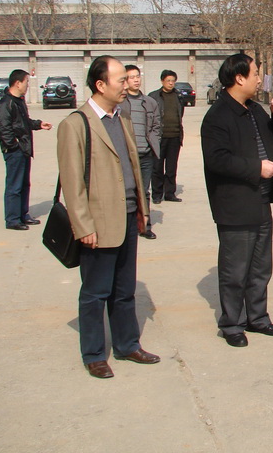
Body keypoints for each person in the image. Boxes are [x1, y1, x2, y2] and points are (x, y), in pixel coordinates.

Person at [57, 55, 160, 379]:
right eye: (120, 80)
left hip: (128, 216)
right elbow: (73, 183)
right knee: (95, 292)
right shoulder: (76, 124)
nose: (126, 85)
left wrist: (142, 211)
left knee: (124, 289)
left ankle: (127, 345)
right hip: (98, 224)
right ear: (101, 85)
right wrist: (83, 225)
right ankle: (94, 354)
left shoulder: (122, 117)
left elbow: (133, 167)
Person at [201, 53, 273, 348]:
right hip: (236, 205)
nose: (259, 79)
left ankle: (257, 317)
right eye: (255, 74)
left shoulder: (254, 109)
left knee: (260, 266)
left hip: (261, 199)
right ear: (239, 78)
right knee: (235, 269)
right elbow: (216, 160)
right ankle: (232, 324)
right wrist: (256, 168)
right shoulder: (218, 116)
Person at [0, 69, 52, 230]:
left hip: (24, 149)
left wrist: (38, 124)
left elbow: (24, 122)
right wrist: (14, 146)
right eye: (26, 82)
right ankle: (13, 220)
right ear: (18, 83)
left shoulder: (19, 101)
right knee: (14, 186)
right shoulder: (6, 103)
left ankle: (23, 214)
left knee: (24, 184)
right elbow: (4, 129)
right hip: (15, 151)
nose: (28, 85)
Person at [121, 65, 161, 239]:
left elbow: (157, 126)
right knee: (126, 192)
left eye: (137, 76)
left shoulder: (150, 102)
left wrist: (153, 142)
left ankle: (145, 226)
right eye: (132, 77)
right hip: (127, 156)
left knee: (144, 192)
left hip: (146, 155)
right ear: (125, 80)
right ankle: (126, 227)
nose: (136, 80)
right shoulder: (120, 103)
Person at [149, 70, 184, 203]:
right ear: (162, 81)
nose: (171, 83)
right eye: (168, 81)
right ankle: (157, 194)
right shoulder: (154, 96)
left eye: (173, 81)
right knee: (157, 167)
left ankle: (170, 193)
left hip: (174, 137)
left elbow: (180, 113)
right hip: (159, 138)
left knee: (171, 168)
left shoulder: (178, 96)